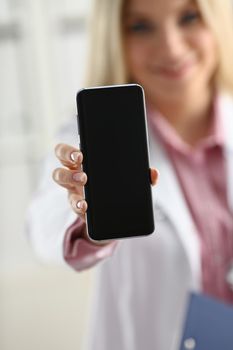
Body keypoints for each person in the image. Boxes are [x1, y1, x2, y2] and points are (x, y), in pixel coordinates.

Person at [27, 0, 233, 349]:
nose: (171, 46)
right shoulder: (84, 143)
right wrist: (86, 220)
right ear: (115, 39)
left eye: (188, 17)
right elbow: (44, 228)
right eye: (140, 26)